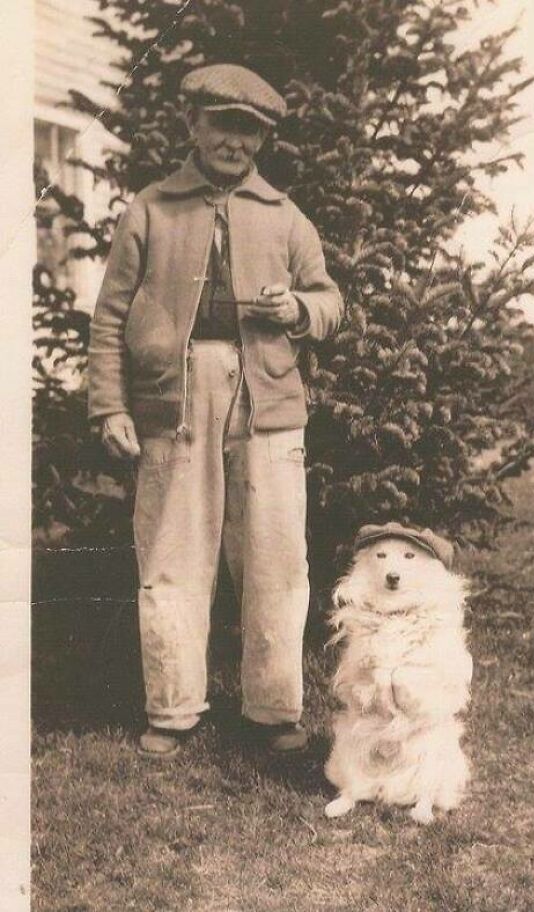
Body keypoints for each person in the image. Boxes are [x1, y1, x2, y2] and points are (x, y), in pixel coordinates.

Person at [88, 63, 343, 758]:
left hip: (270, 397)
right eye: (223, 126)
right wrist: (110, 405)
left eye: (249, 131)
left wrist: (296, 308)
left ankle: (274, 708)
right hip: (174, 395)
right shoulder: (152, 209)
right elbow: (109, 317)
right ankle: (171, 710)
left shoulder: (284, 215)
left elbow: (330, 301)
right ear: (194, 127)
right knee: (172, 552)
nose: (235, 142)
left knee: (275, 557)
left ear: (261, 140)